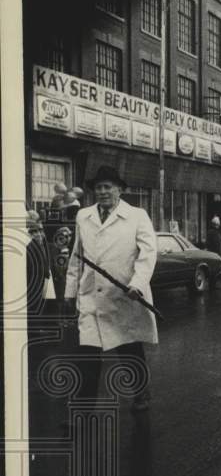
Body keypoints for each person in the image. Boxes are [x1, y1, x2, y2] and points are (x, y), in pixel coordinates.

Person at [63, 166, 158, 411]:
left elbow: (148, 254)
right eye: (98, 188)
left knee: (128, 349)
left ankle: (141, 392)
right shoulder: (83, 216)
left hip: (123, 296)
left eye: (108, 187)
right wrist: (70, 292)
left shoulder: (137, 216)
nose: (102, 192)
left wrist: (137, 283)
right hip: (91, 297)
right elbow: (77, 255)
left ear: (119, 190)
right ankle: (83, 409)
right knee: (88, 355)